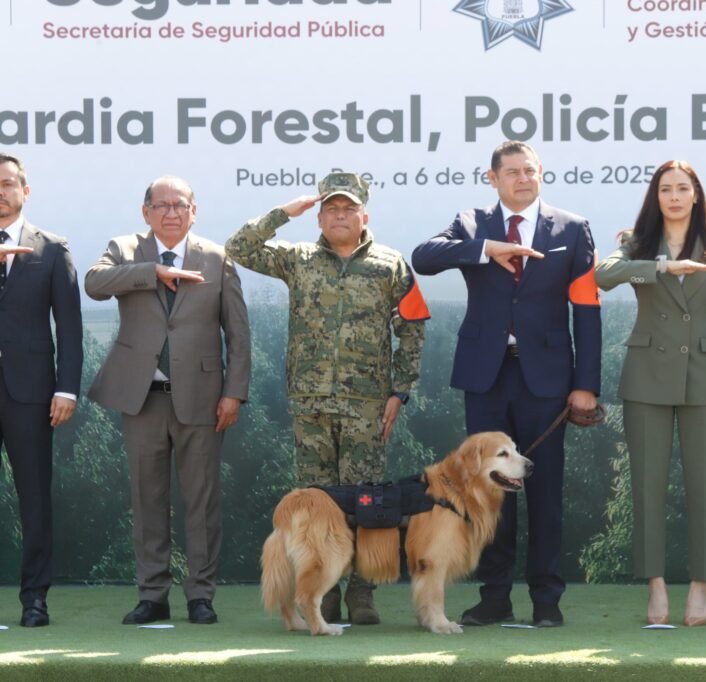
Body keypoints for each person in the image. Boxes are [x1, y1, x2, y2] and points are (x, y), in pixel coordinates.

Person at [412, 140, 601, 628]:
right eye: (512, 171)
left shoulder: (573, 228)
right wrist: (484, 249)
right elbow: (424, 257)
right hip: (487, 377)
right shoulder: (471, 223)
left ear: (541, 175)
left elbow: (587, 310)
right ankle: (494, 597)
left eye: (530, 170)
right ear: (492, 178)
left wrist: (586, 384)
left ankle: (546, 602)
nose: (523, 178)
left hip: (547, 381)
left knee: (545, 495)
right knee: (487, 495)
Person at [226, 171, 428, 625]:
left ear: (364, 216)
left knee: (367, 503)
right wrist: (284, 212)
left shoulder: (390, 264)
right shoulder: (298, 259)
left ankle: (363, 594)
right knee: (318, 504)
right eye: (331, 209)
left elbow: (413, 326)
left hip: (367, 405)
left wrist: (401, 390)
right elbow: (239, 248)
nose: (340, 216)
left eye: (348, 209)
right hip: (311, 403)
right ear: (318, 217)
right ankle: (324, 591)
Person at [86, 176, 251, 626]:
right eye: (161, 205)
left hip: (202, 398)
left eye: (180, 205)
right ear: (146, 213)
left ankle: (201, 595)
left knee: (201, 502)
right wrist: (151, 272)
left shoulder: (218, 258)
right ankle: (152, 595)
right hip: (142, 399)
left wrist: (234, 392)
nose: (171, 212)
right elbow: (94, 284)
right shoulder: (124, 249)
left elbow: (237, 334)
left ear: (194, 211)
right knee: (148, 499)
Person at [594, 160, 706, 627]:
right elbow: (604, 276)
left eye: (683, 188)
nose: (674, 196)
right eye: (665, 189)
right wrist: (662, 265)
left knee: (704, 488)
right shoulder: (634, 246)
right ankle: (655, 588)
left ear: (697, 195)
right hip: (647, 377)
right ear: (655, 198)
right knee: (647, 486)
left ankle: (700, 587)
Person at [0, 153, 83, 628]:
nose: (2, 192)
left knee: (34, 498)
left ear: (25, 191)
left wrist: (67, 388)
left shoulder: (52, 248)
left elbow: (69, 327)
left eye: (9, 183)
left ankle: (35, 600)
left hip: (30, 392)